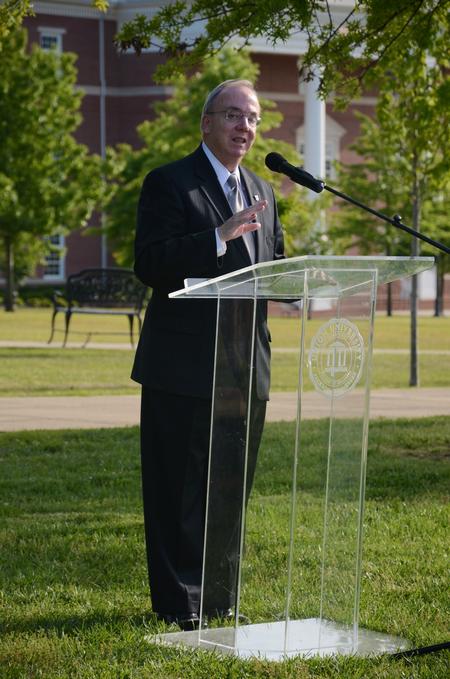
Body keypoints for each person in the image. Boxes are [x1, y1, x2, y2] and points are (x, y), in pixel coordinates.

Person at [132, 79, 284, 630]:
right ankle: (179, 603)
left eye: (253, 118)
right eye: (234, 116)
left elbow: (274, 266)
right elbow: (150, 263)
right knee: (178, 488)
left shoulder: (265, 192)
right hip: (183, 367)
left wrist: (295, 279)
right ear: (206, 123)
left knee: (229, 488)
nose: (246, 127)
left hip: (246, 366)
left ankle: (220, 597)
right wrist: (216, 237)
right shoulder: (170, 183)